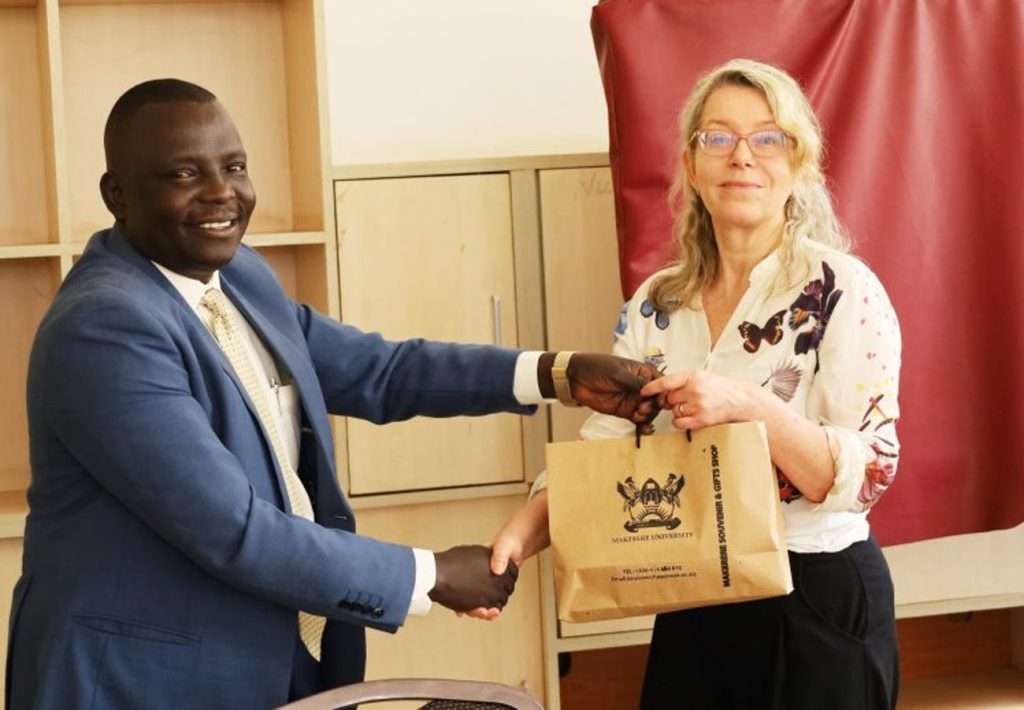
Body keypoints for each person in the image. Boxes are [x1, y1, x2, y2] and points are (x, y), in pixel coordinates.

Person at [8, 79, 661, 709]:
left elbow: (377, 370)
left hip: (275, 656)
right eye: (184, 175)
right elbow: (233, 529)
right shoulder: (105, 328)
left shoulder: (236, 275)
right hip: (143, 679)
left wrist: (558, 372)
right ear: (117, 194)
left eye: (233, 167)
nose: (221, 194)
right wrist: (429, 576)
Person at [474, 58, 902, 709]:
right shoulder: (657, 304)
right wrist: (518, 538)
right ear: (692, 161)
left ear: (800, 162)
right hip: (693, 587)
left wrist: (748, 405)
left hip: (816, 597)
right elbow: (605, 453)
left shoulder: (844, 292)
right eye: (718, 137)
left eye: (768, 137)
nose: (742, 157)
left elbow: (864, 475)